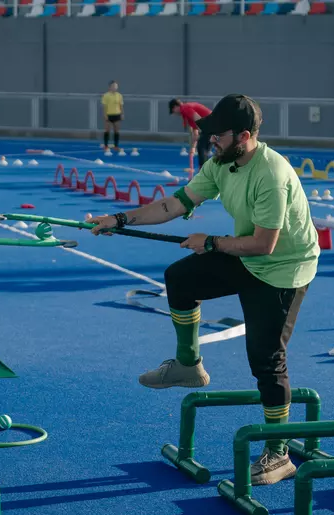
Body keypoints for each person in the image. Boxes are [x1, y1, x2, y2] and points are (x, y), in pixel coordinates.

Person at [87, 94, 319, 487]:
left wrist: (210, 242)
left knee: (266, 359)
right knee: (180, 278)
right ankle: (188, 365)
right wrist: (119, 218)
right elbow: (174, 205)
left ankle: (279, 453)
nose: (210, 140)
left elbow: (266, 244)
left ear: (244, 136)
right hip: (246, 255)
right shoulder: (221, 164)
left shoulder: (270, 174)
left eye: (218, 135)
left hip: (282, 269)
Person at [168, 98, 212, 168]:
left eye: (173, 110)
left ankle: (204, 173)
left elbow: (198, 118)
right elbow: (195, 132)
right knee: (203, 149)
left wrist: (206, 131)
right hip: (212, 125)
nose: (174, 113)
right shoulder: (186, 114)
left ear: (176, 107)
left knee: (202, 147)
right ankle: (206, 172)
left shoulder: (185, 108)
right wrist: (193, 148)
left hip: (212, 124)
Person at [101, 81, 124, 152]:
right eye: (113, 86)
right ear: (110, 87)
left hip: (117, 114)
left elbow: (121, 105)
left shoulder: (119, 95)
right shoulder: (106, 95)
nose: (115, 87)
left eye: (116, 86)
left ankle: (116, 146)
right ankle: (105, 146)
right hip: (108, 114)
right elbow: (104, 106)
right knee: (107, 130)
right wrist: (105, 115)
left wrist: (122, 114)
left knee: (116, 130)